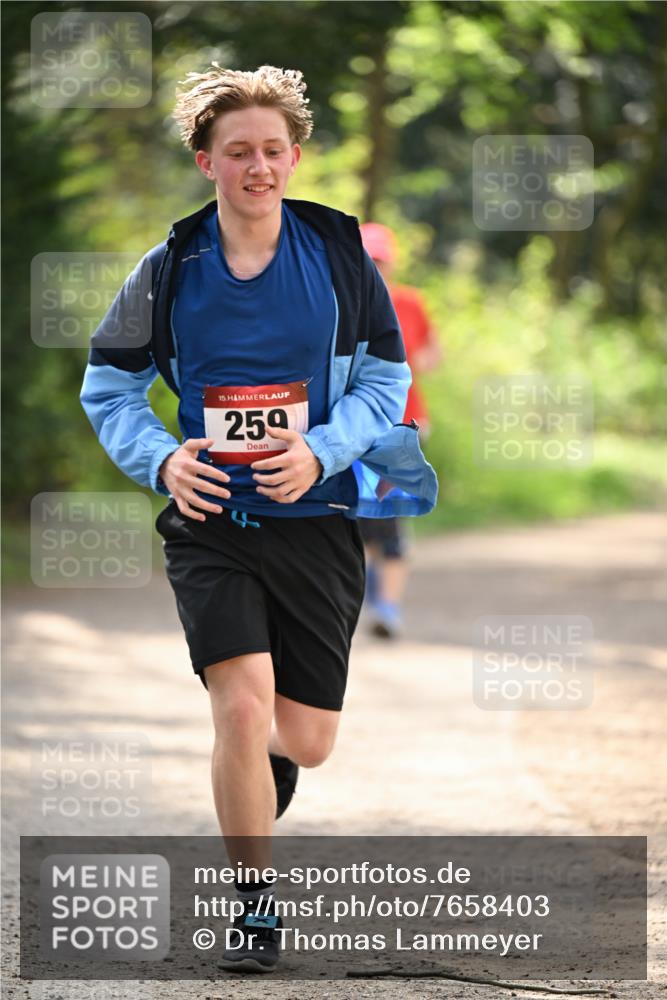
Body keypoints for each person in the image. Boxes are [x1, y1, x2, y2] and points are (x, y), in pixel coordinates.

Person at [80, 64, 437, 973]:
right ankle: (252, 908)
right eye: (238, 152)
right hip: (210, 520)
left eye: (273, 151)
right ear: (207, 161)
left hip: (315, 513)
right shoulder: (168, 268)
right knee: (238, 708)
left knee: (303, 741)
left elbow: (385, 380)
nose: (258, 167)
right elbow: (111, 383)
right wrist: (161, 457)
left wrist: (321, 447)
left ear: (295, 156)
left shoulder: (336, 256)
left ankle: (266, 776)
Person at [358, 222, 442, 640]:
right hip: (355, 429)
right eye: (368, 260)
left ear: (390, 264)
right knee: (359, 515)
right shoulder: (343, 303)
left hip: (405, 426)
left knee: (389, 516)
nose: (375, 267)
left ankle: (387, 609)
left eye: (380, 261)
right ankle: (375, 598)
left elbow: (431, 355)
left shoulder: (409, 303)